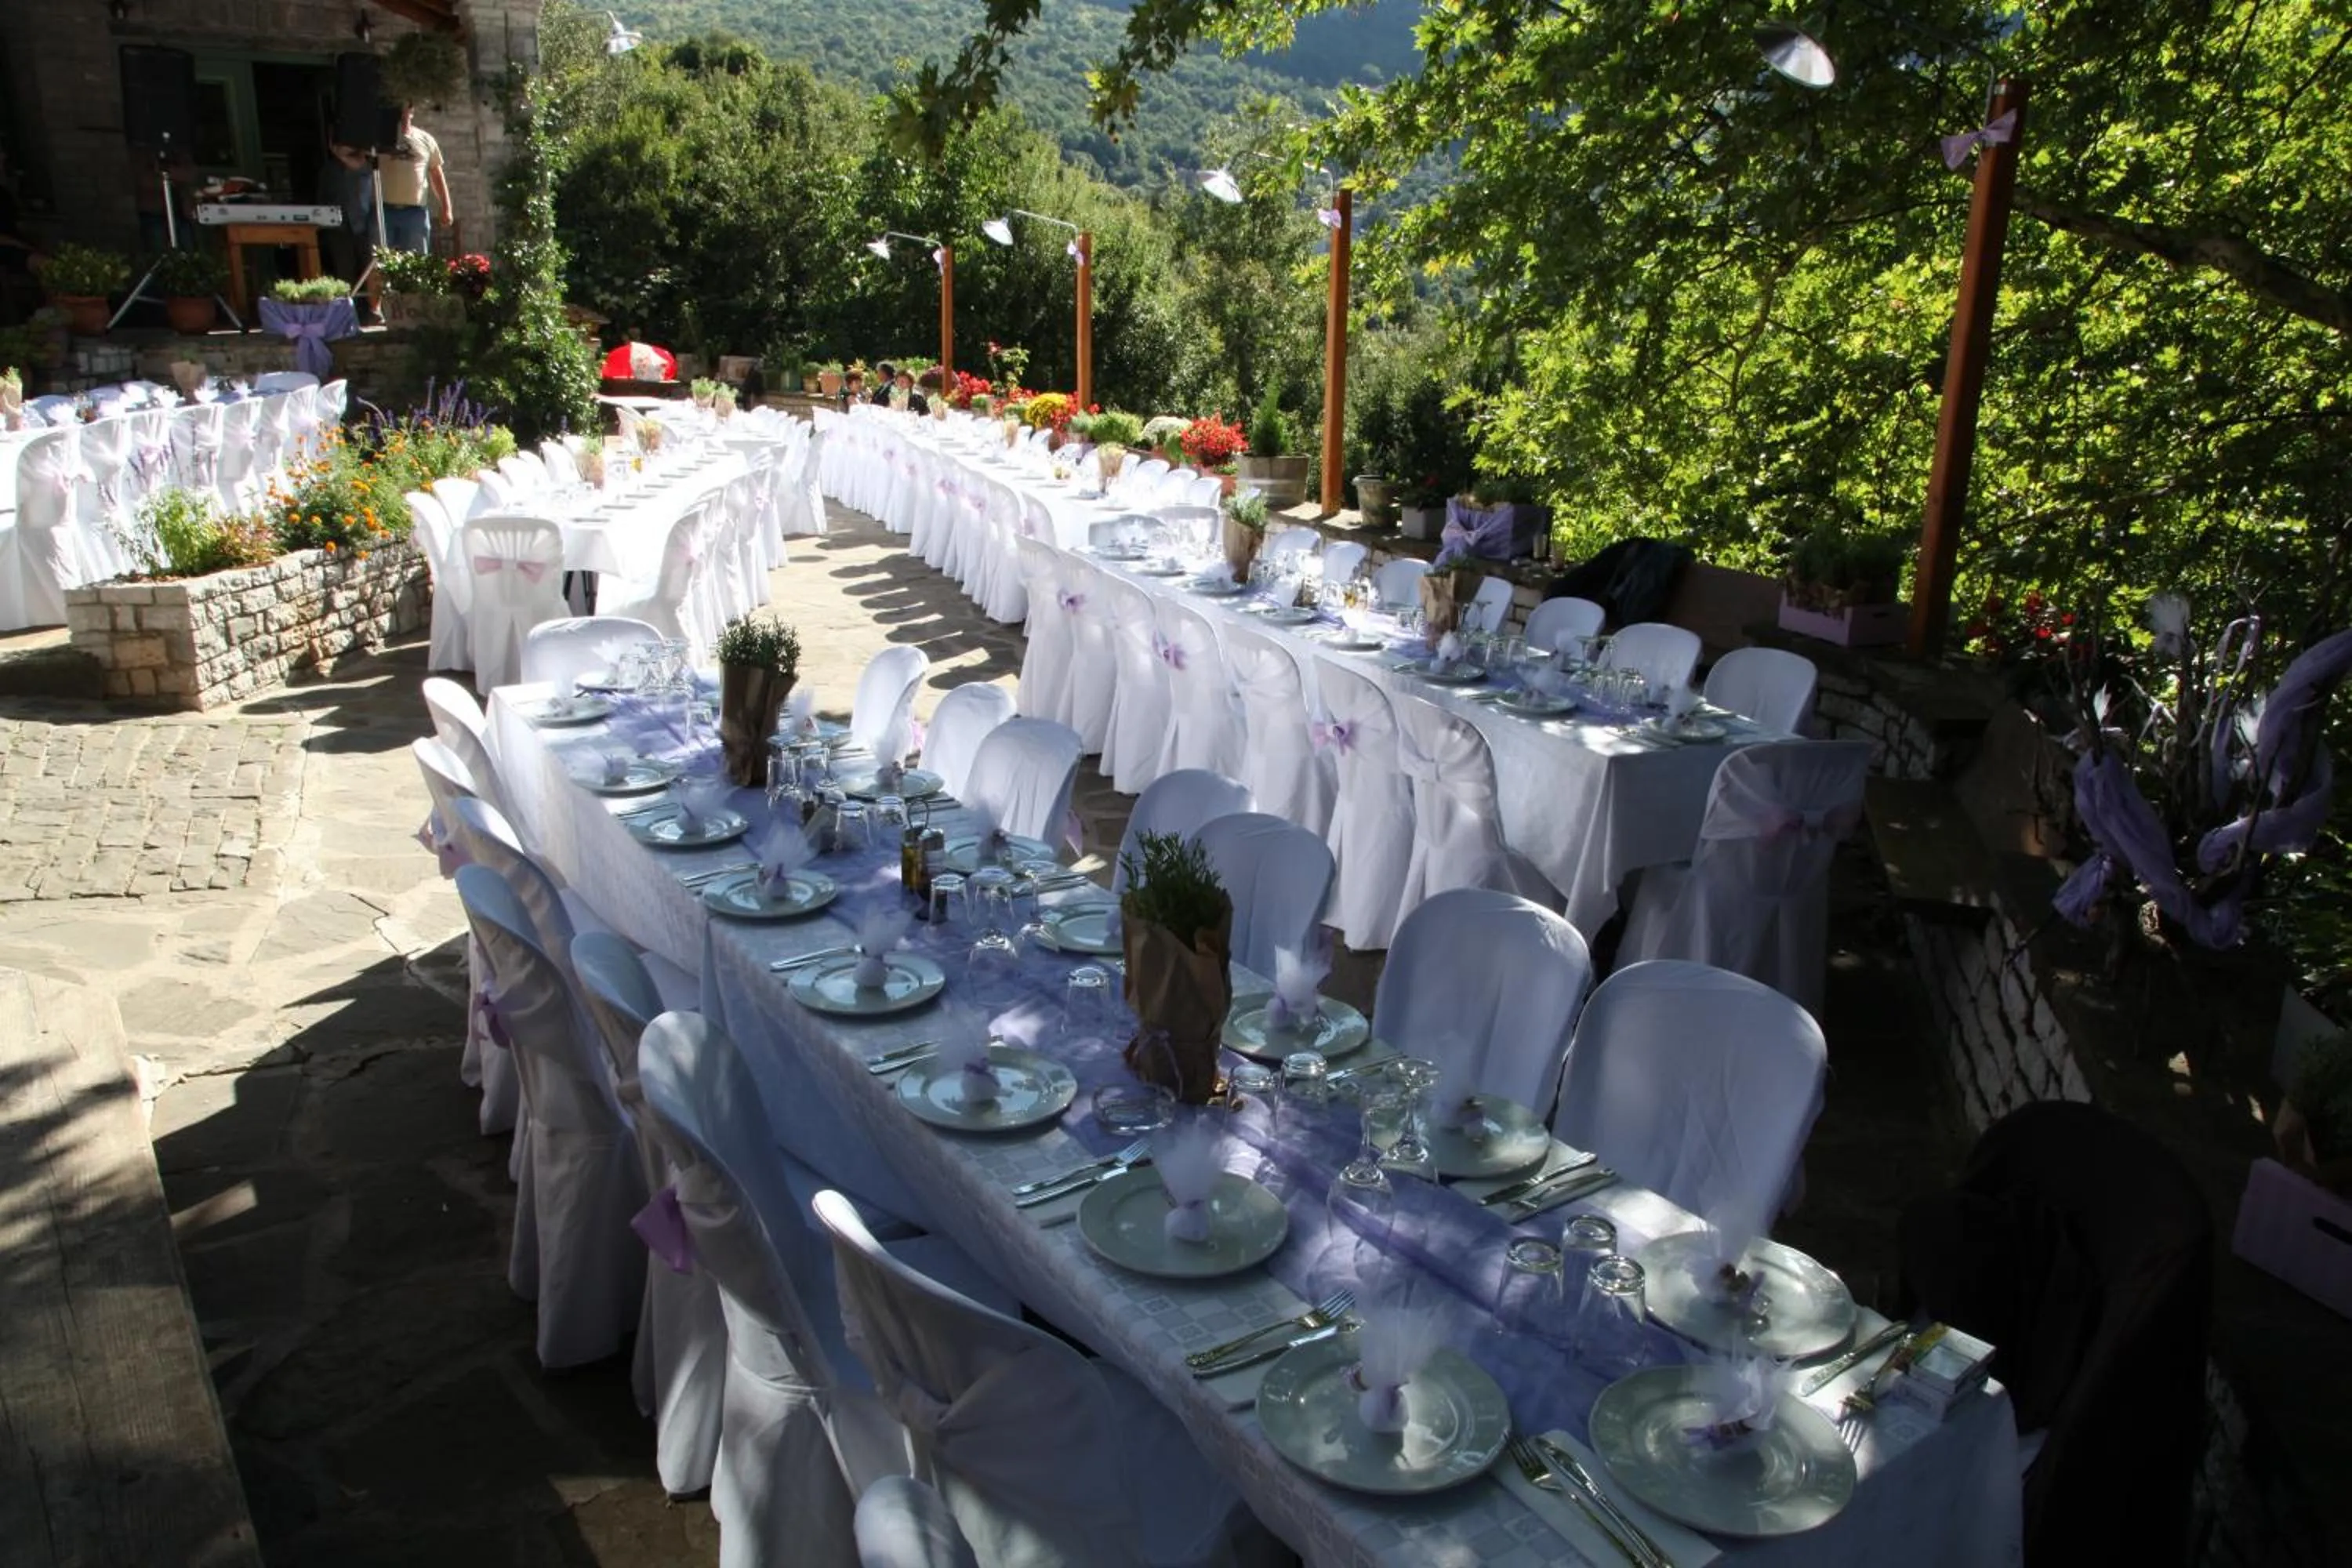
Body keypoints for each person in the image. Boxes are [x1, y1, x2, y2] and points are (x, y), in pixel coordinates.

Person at [377, 104, 451, 255]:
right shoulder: (379, 139)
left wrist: (446, 208)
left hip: (415, 213)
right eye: (398, 110)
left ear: (412, 111)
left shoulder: (426, 139)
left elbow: (436, 175)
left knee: (416, 264)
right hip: (383, 211)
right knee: (379, 265)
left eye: (405, 109)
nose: (401, 114)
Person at [0, 146, 47, 325]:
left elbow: (15, 225)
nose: (3, 158)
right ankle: (51, 315)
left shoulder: (4, 194)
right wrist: (24, 247)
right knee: (44, 265)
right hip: (5, 250)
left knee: (55, 263)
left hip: (16, 247)